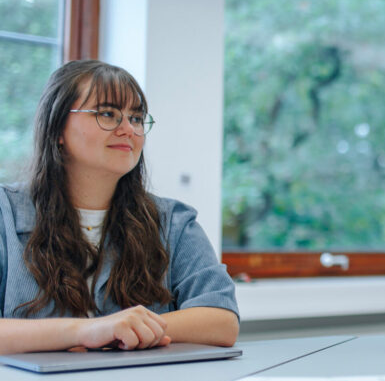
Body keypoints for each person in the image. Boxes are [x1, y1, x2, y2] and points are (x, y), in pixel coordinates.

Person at [0, 60, 238, 354]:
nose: (128, 129)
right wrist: (87, 330)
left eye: (136, 118)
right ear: (57, 128)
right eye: (108, 114)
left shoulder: (174, 222)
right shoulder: (5, 214)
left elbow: (221, 320)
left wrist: (121, 330)